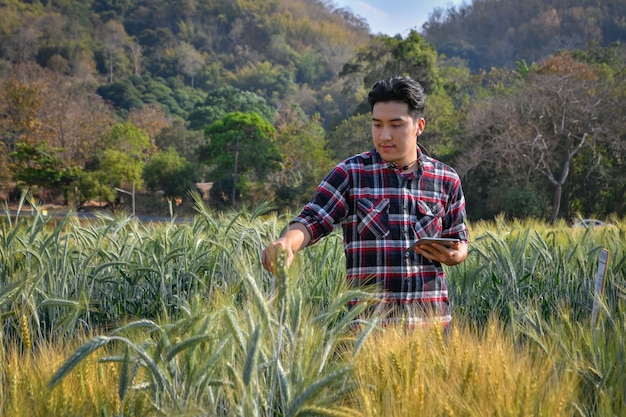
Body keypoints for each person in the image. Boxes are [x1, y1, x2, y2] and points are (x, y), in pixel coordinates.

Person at [262, 75, 469, 327]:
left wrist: (455, 255)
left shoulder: (447, 179)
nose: (384, 135)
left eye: (396, 125)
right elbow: (313, 219)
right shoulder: (351, 173)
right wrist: (286, 243)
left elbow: (459, 240)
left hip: (432, 328)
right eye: (377, 125)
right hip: (367, 333)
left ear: (419, 126)